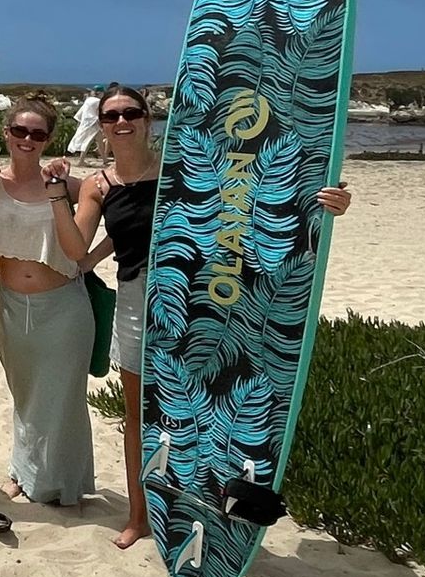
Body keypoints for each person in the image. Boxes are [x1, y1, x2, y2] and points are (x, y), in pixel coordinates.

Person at [47, 83, 353, 548]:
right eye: (111, 116)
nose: (122, 121)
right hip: (135, 300)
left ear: (149, 119)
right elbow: (76, 252)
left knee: (203, 405)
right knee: (138, 414)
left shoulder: (183, 166)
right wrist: (55, 195)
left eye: (132, 112)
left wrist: (324, 202)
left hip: (198, 297)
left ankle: (205, 505)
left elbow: (250, 197)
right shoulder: (99, 185)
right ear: (102, 127)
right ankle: (139, 515)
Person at [0, 95, 94, 506]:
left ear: (50, 138)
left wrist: (56, 196)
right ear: (7, 133)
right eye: (19, 131)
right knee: (25, 396)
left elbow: (82, 248)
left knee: (63, 402)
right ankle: (23, 471)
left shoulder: (72, 187)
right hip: (11, 307)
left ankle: (63, 485)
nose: (27, 139)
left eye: (37, 133)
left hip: (63, 310)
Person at [66, 87, 103, 163]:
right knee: (88, 142)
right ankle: (81, 161)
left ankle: (104, 159)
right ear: (100, 93)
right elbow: (99, 113)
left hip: (87, 122)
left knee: (99, 141)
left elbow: (82, 111)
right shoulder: (98, 101)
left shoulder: (88, 100)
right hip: (93, 123)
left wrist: (79, 122)